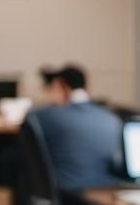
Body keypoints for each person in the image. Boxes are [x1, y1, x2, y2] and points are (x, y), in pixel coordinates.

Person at [26, 64, 122, 193]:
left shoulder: (48, 116)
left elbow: (28, 119)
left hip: (70, 192)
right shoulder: (111, 118)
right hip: (111, 188)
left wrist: (53, 103)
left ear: (62, 86)